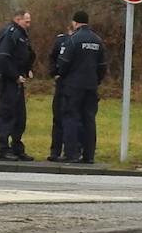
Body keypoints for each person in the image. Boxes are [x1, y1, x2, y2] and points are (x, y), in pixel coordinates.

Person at [54, 11, 105, 164]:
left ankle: (72, 153)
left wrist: (61, 76)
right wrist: (96, 81)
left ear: (75, 23)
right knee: (89, 119)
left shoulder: (73, 40)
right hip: (91, 86)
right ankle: (89, 155)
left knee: (71, 118)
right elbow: (102, 66)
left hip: (73, 86)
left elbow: (63, 63)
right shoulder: (98, 41)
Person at [0, 9, 33, 161]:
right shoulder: (11, 33)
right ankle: (3, 148)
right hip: (8, 81)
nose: (29, 24)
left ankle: (16, 147)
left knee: (20, 116)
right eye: (26, 21)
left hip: (18, 81)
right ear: (18, 19)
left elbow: (24, 55)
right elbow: (3, 58)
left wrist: (27, 70)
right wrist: (15, 76)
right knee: (7, 114)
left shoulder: (21, 35)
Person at [45, 26, 70, 162]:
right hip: (62, 85)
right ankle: (56, 151)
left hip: (70, 85)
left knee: (68, 118)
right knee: (59, 118)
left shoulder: (74, 42)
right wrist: (54, 73)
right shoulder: (60, 41)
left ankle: (67, 150)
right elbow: (52, 58)